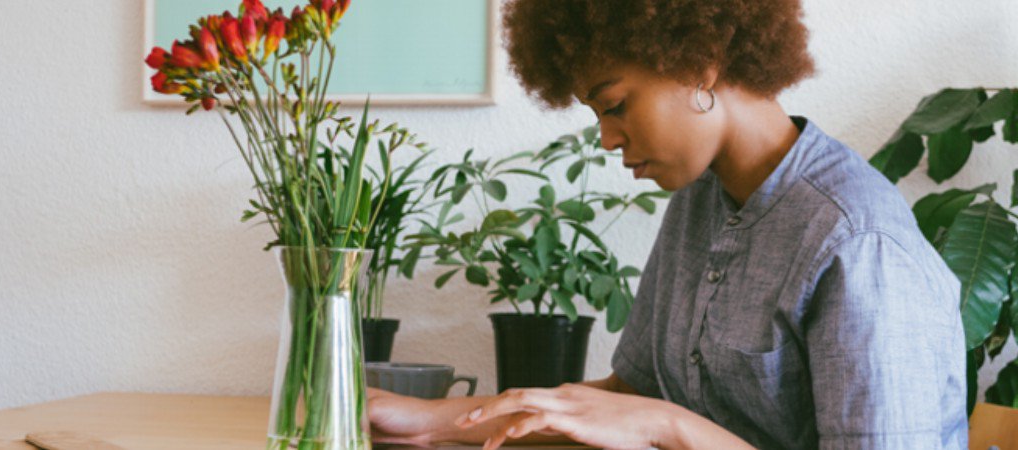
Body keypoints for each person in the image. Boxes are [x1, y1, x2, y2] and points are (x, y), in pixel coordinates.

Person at [368, 0, 969, 448]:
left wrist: (668, 425)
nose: (605, 137)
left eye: (615, 104)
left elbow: (648, 413)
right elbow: (627, 397)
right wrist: (426, 422)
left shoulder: (858, 243)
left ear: (700, 65)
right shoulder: (702, 200)